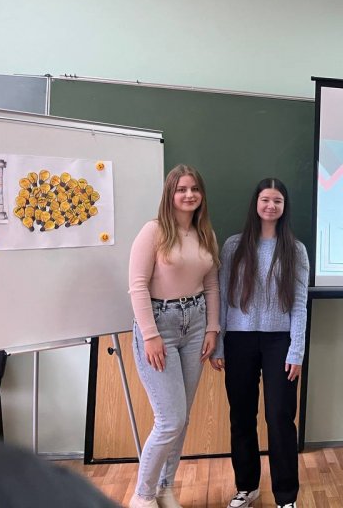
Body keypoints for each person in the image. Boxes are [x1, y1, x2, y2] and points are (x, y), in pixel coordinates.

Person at [211, 178, 309, 508]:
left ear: (284, 207)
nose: (271, 206)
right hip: (239, 340)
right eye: (266, 199)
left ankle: (286, 497)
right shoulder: (233, 246)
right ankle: (247, 487)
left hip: (280, 342)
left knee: (280, 418)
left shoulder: (295, 250)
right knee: (241, 416)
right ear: (256, 203)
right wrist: (220, 342)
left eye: (277, 200)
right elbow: (222, 296)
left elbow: (299, 303)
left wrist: (297, 349)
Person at [128, 164, 220, 508]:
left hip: (195, 324)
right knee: (170, 420)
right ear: (170, 194)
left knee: (182, 419)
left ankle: (165, 489)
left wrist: (212, 327)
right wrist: (150, 335)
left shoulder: (205, 233)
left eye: (194, 189)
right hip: (159, 326)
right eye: (181, 189)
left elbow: (212, 285)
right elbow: (137, 286)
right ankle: (143, 495)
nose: (189, 195)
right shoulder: (153, 231)